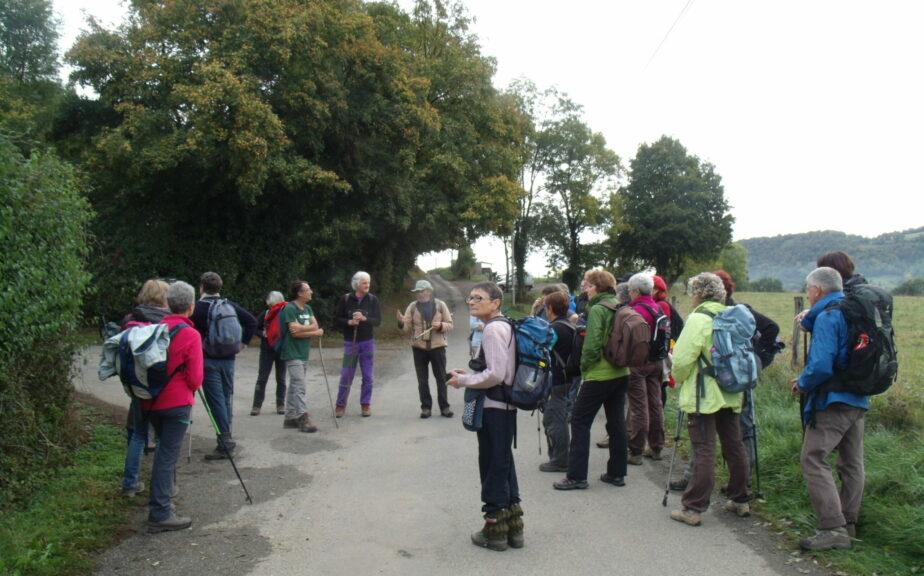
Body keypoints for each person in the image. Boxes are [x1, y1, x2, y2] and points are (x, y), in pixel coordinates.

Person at [791, 266, 867, 550]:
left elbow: (821, 364)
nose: (809, 295)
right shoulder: (854, 310)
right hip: (859, 396)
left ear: (816, 290)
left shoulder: (828, 315)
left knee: (813, 458)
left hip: (833, 399)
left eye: (809, 290)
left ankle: (833, 529)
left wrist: (803, 382)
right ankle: (849, 524)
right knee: (852, 463)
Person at [669, 272, 750, 526]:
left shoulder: (699, 319)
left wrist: (678, 377)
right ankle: (740, 498)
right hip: (732, 390)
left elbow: (681, 360)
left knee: (704, 449)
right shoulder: (733, 316)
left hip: (704, 394)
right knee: (734, 445)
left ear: (699, 294)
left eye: (692, 292)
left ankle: (693, 508)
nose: (691, 297)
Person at [447, 282, 521, 551]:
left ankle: (495, 531)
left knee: (492, 465)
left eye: (479, 298)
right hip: (505, 406)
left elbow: (496, 374)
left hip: (493, 407)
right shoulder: (506, 326)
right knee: (503, 464)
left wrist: (463, 381)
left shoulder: (491, 330)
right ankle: (513, 528)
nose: (472, 302)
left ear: (496, 302)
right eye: (471, 297)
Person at [553, 269, 630, 491]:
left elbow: (592, 344)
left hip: (600, 374)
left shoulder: (597, 309)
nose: (585, 289)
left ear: (598, 287)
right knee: (615, 422)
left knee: (579, 420)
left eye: (588, 285)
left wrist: (583, 369)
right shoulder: (619, 305)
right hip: (621, 372)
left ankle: (576, 476)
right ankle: (617, 473)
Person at [146, 281, 203, 533]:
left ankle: (165, 495)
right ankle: (160, 512)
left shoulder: (155, 328)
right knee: (166, 456)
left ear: (169, 304)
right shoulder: (190, 334)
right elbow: (196, 379)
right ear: (191, 307)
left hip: (151, 400)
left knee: (161, 451)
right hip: (177, 402)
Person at [191, 272, 256, 460]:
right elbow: (251, 321)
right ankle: (225, 439)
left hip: (207, 359)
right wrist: (243, 344)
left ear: (202, 286)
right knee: (225, 398)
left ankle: (225, 442)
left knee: (216, 401)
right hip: (229, 358)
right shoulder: (229, 305)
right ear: (219, 287)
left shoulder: (197, 308)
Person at [121, 279, 171, 498]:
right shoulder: (168, 321)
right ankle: (162, 486)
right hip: (164, 386)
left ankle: (129, 484)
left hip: (138, 386)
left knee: (138, 435)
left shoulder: (130, 320)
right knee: (162, 437)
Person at [396, 279, 454, 418]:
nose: (419, 294)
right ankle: (426, 408)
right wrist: (400, 322)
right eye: (417, 292)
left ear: (429, 291)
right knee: (422, 380)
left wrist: (440, 325)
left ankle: (444, 407)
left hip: (438, 347)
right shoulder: (412, 307)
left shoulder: (440, 305)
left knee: (441, 378)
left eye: (421, 291)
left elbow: (450, 325)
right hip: (419, 348)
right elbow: (406, 329)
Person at [625, 273, 667, 465]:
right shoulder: (657, 308)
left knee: (639, 407)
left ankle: (636, 451)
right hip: (656, 361)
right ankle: (656, 447)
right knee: (655, 404)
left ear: (635, 291)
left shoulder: (634, 311)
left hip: (638, 363)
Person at [333, 271, 382, 418]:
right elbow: (336, 319)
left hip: (367, 342)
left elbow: (378, 321)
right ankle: (340, 405)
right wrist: (349, 322)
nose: (367, 285)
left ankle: (365, 405)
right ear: (356, 284)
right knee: (346, 375)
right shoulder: (346, 299)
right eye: (364, 283)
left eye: (368, 282)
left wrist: (364, 318)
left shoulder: (373, 300)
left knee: (368, 375)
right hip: (350, 343)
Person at [538, 291, 576, 473]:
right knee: (553, 417)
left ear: (550, 308)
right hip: (567, 378)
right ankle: (558, 457)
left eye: (546, 306)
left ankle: (560, 460)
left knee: (555, 419)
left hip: (557, 380)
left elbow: (541, 349)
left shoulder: (555, 329)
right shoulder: (568, 325)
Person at [281, 280, 325, 433]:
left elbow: (314, 325)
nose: (311, 292)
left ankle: (290, 417)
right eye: (308, 289)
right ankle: (302, 416)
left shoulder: (308, 308)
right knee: (299, 384)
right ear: (299, 293)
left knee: (295, 384)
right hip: (292, 352)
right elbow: (294, 332)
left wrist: (303, 328)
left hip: (303, 352)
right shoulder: (289, 308)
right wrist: (314, 332)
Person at [250, 291, 287, 416]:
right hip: (266, 349)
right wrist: (262, 333)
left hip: (281, 349)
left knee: (281, 378)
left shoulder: (285, 314)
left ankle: (281, 404)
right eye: (270, 305)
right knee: (262, 377)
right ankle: (256, 405)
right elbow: (255, 327)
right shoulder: (265, 314)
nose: (272, 308)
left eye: (274, 305)